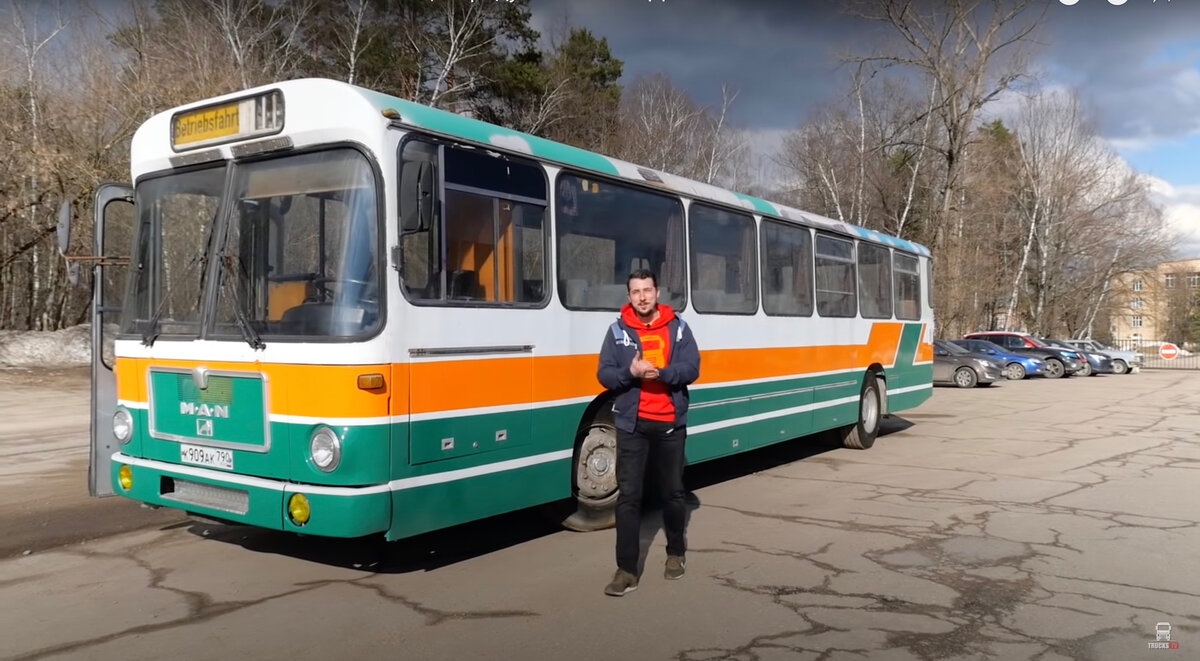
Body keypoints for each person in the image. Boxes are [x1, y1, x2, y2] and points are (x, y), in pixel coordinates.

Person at [596, 268, 701, 597]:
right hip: (633, 425)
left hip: (670, 423)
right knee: (629, 497)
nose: (642, 297)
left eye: (647, 290)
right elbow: (604, 374)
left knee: (672, 493)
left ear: (657, 293)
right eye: (636, 291)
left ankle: (676, 554)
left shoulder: (678, 328)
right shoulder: (617, 331)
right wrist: (630, 371)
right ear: (629, 296)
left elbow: (692, 368)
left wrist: (664, 373)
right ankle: (626, 570)